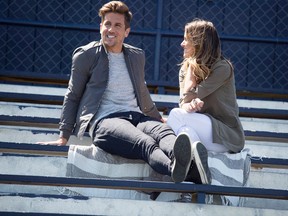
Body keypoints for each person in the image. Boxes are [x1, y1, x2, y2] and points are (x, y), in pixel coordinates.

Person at [38, 1, 211, 185]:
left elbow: (142, 92)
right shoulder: (86, 55)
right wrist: (63, 136)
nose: (110, 29)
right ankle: (184, 172)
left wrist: (157, 118)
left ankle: (188, 166)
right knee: (145, 143)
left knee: (165, 133)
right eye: (107, 24)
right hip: (106, 121)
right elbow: (73, 95)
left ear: (126, 32)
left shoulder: (136, 56)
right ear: (100, 27)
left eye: (117, 25)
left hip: (137, 116)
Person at [167, 19, 245, 163]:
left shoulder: (222, 68)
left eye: (186, 40)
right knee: (185, 132)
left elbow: (190, 96)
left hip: (225, 136)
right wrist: (189, 106)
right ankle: (197, 164)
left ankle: (192, 162)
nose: (181, 44)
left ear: (198, 43)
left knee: (175, 116)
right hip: (201, 131)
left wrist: (191, 69)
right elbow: (184, 103)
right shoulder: (184, 69)